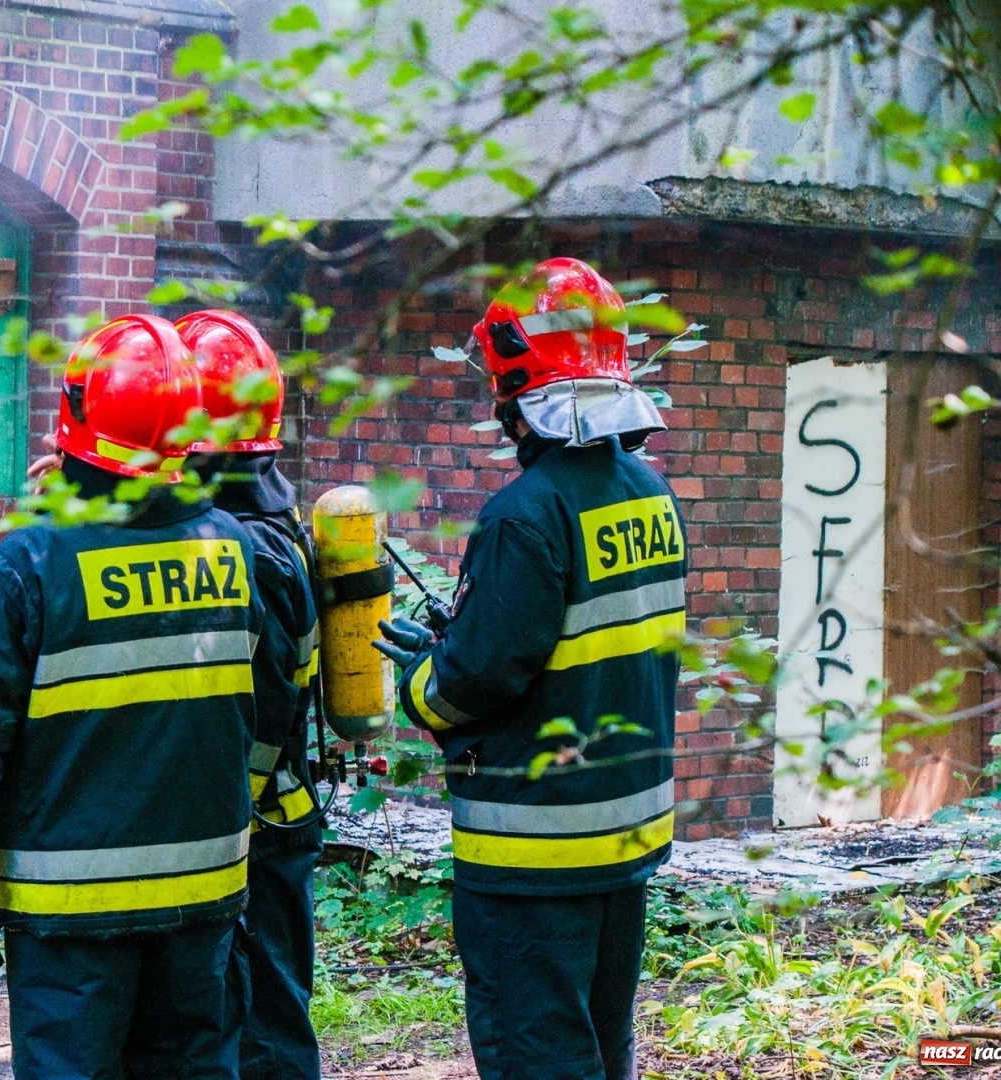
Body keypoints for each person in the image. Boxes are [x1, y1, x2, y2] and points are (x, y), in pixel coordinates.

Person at [0, 313, 277, 1080]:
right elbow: (266, 716)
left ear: (73, 424)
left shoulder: (30, 564)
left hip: (68, 908)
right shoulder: (236, 551)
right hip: (203, 895)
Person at [374, 258, 685, 1080]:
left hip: (536, 856)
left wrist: (420, 679)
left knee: (539, 1056)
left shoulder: (525, 515)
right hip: (623, 837)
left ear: (516, 390)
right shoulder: (651, 493)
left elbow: (475, 682)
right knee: (601, 1047)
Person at [177, 309, 324, 1080]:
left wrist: (230, 806)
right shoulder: (273, 514)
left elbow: (258, 710)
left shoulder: (242, 545)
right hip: (275, 816)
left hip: (251, 825)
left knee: (259, 1025)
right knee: (269, 1011)